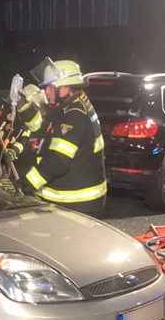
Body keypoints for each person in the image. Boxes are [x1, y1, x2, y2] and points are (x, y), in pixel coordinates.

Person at [22, 58, 107, 216]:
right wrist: (26, 111)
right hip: (81, 197)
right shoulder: (75, 104)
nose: (46, 92)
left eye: (50, 87)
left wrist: (25, 185)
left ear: (65, 88)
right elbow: (45, 131)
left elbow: (58, 161)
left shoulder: (74, 115)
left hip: (74, 201)